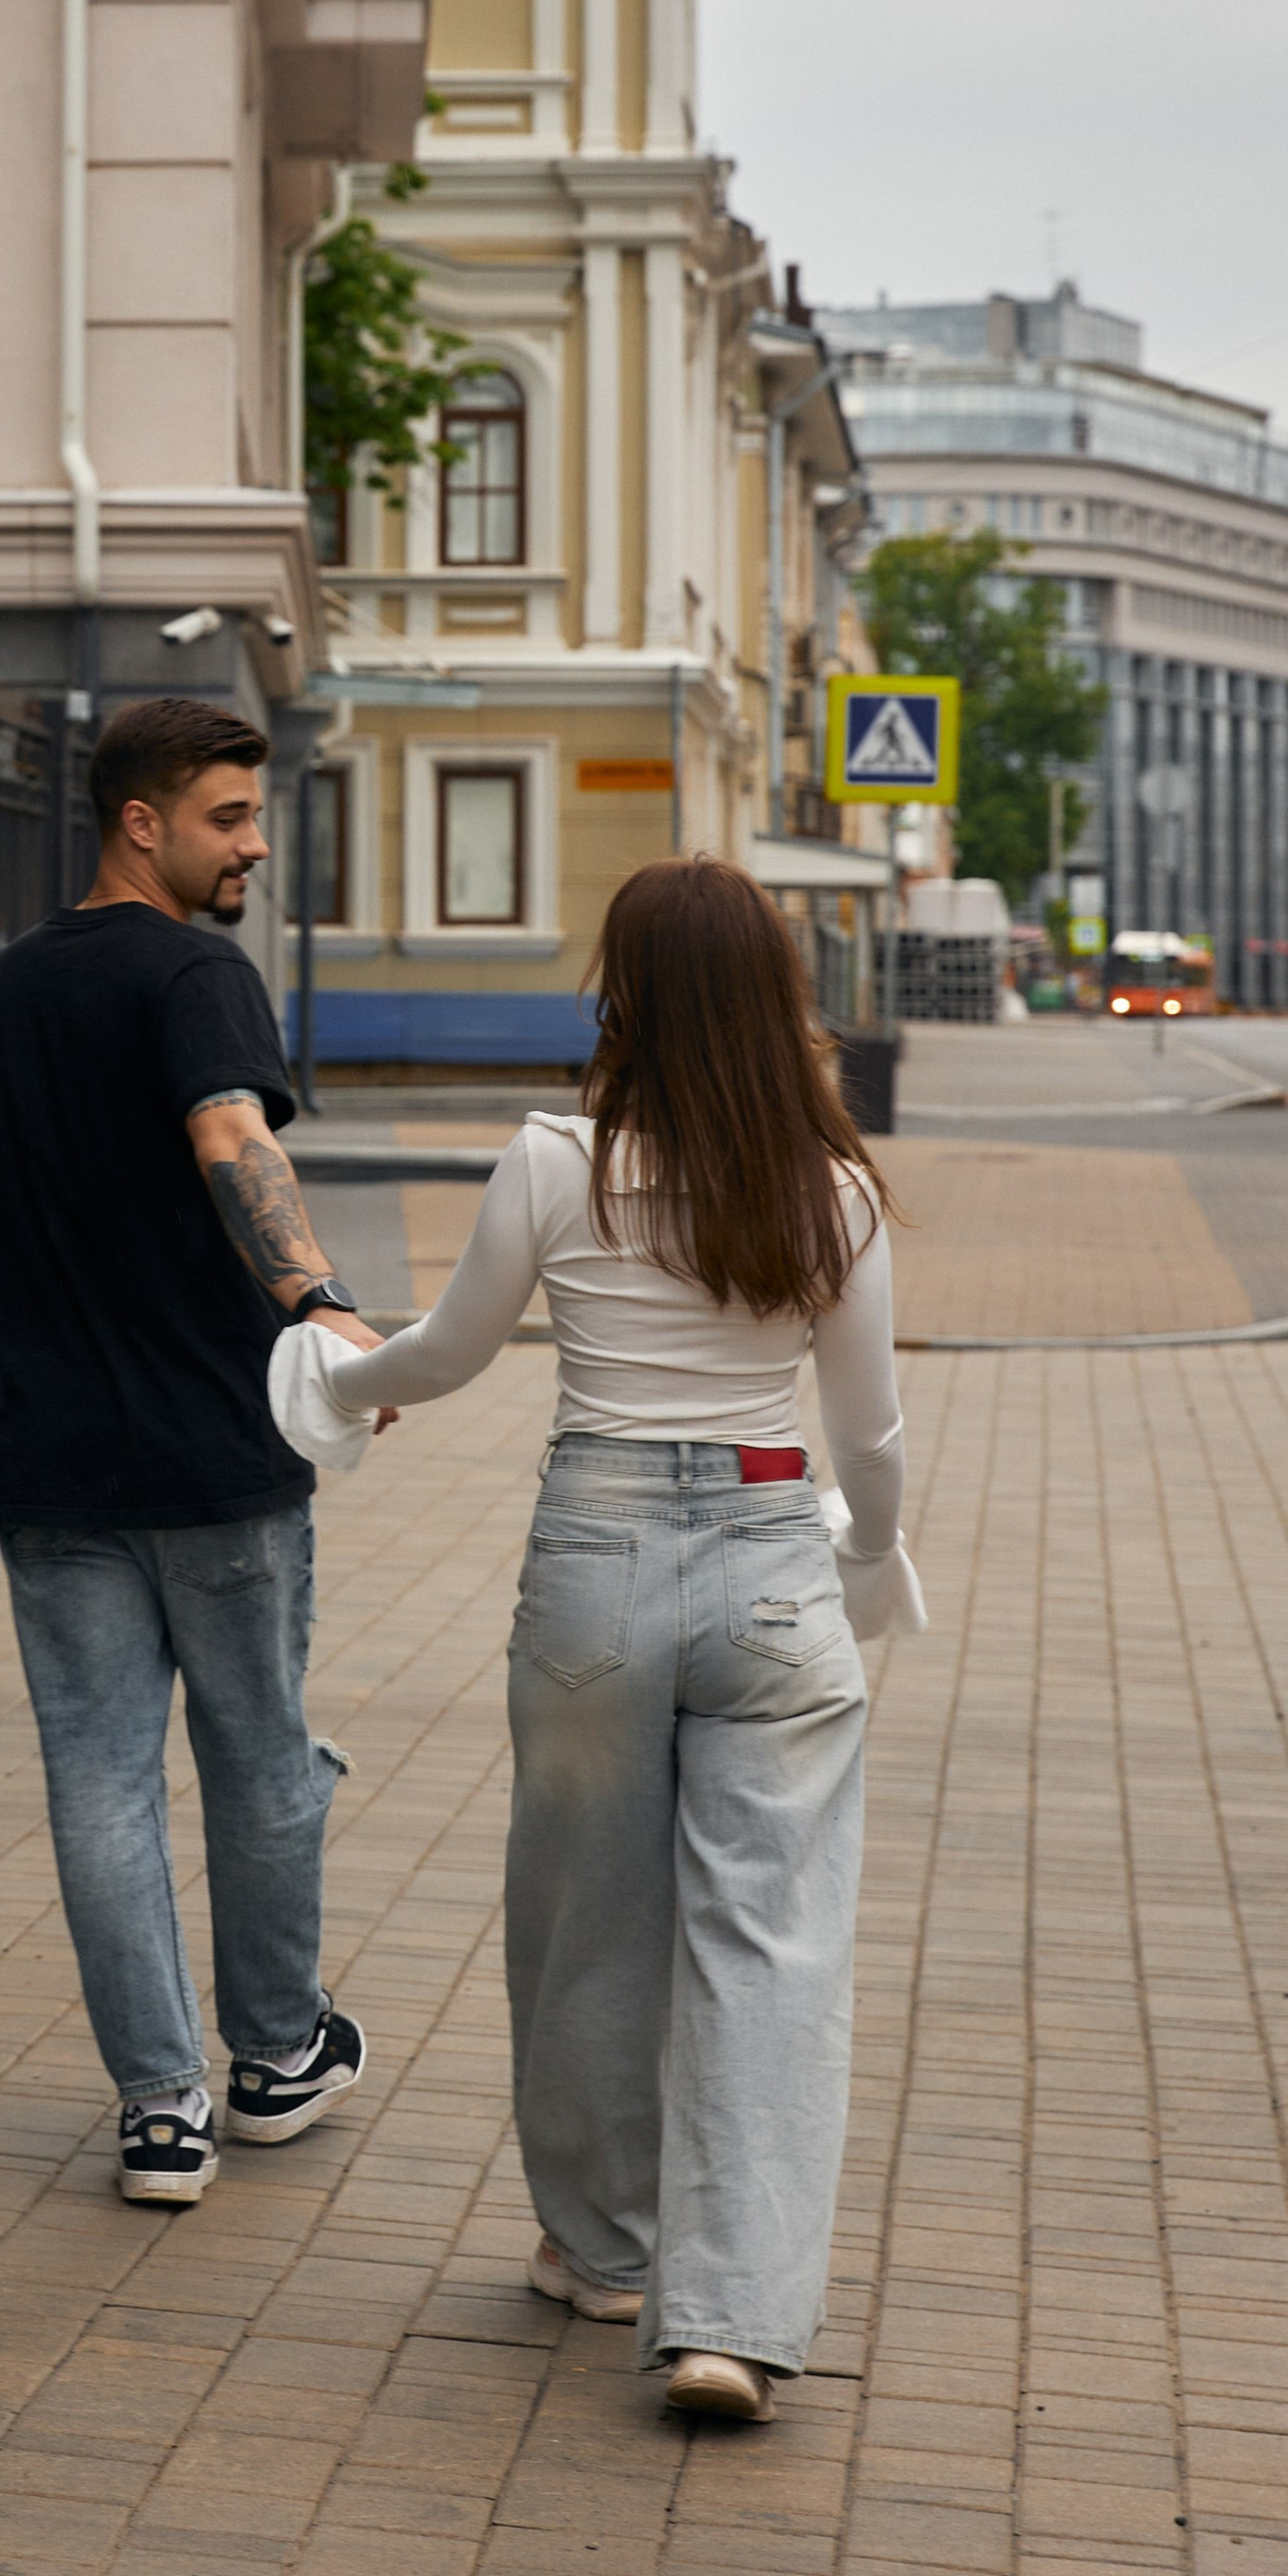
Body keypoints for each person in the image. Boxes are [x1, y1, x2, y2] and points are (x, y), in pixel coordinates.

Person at [290, 854, 925, 2420]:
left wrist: (329, 1379)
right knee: (774, 1950)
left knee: (584, 1925)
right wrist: (877, 1552)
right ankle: (734, 2324)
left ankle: (603, 2251)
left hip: (594, 1567)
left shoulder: (553, 1161)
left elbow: (444, 1357)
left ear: (623, 995)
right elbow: (875, 1439)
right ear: (781, 998)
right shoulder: (830, 1188)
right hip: (780, 1560)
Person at [0, 694, 387, 2207]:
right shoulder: (198, 971)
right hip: (214, 1452)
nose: (254, 845)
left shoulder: (13, 989)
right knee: (261, 1763)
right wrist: (323, 1304)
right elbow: (231, 1139)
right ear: (140, 821)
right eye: (227, 817)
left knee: (99, 1786)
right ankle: (274, 2061)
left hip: (56, 1464)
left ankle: (161, 2112)